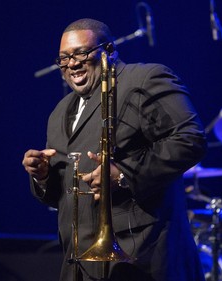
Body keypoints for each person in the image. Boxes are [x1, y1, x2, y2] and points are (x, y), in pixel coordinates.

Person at [22, 18, 207, 281]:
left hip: (141, 259)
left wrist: (123, 174)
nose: (72, 64)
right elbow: (65, 195)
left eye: (81, 53)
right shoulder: (60, 111)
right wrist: (42, 176)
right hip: (79, 263)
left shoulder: (145, 78)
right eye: (64, 58)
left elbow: (190, 139)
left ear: (109, 50)